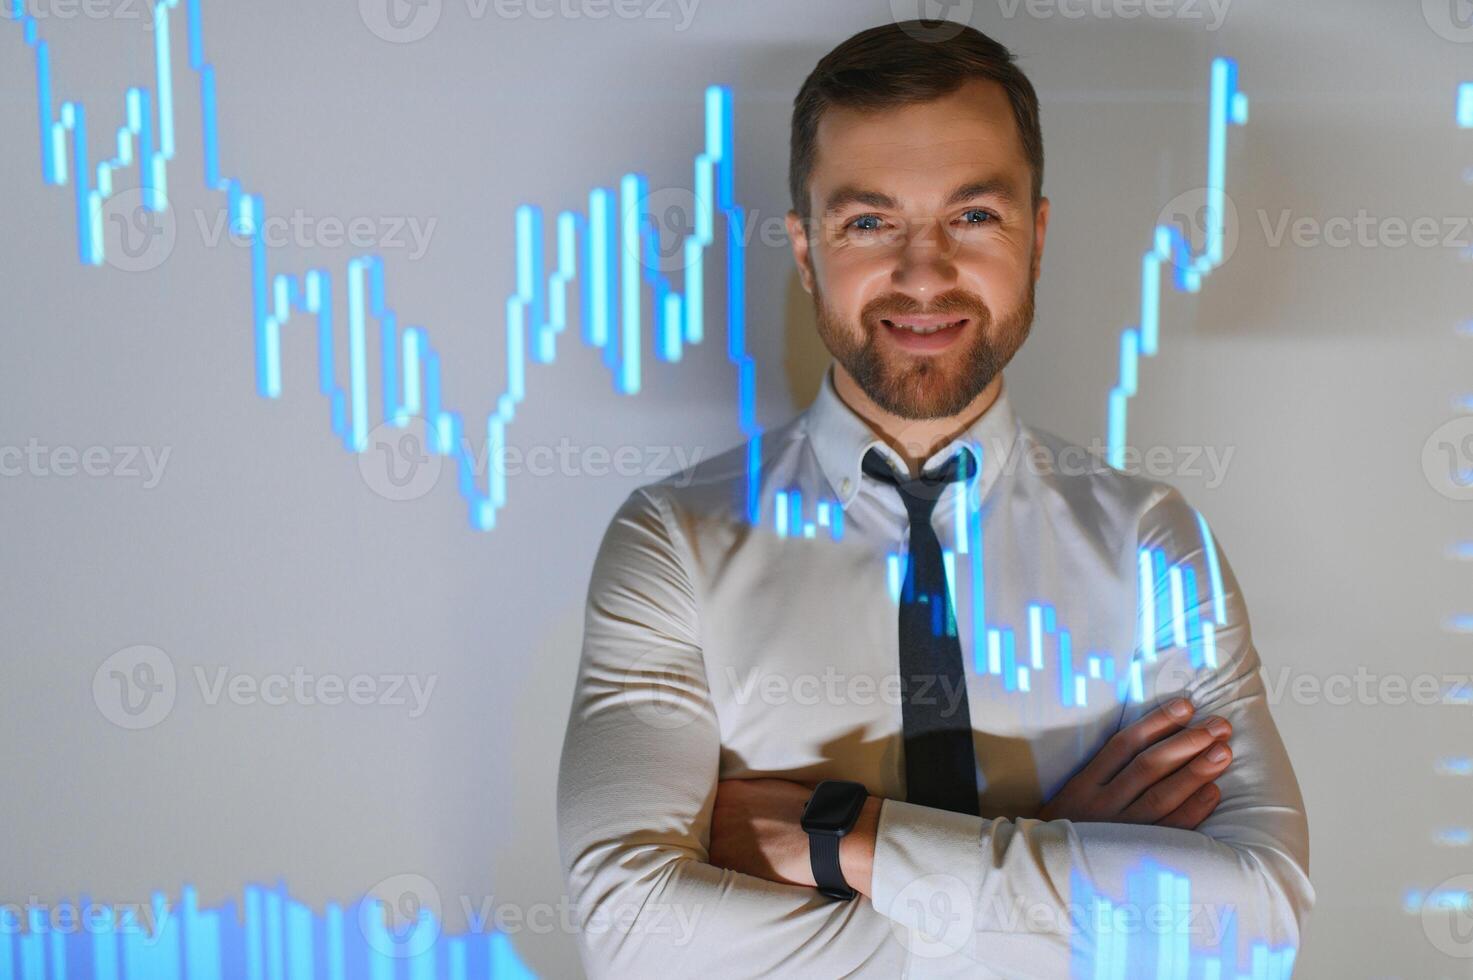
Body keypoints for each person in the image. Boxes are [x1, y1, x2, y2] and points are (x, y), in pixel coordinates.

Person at [556, 20, 1311, 978]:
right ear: (804, 251)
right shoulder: (673, 541)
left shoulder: (1150, 541)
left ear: (1035, 236)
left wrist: (842, 840)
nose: (923, 275)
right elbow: (631, 940)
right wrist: (1052, 854)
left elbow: (1258, 924)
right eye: (868, 223)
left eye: (973, 217)